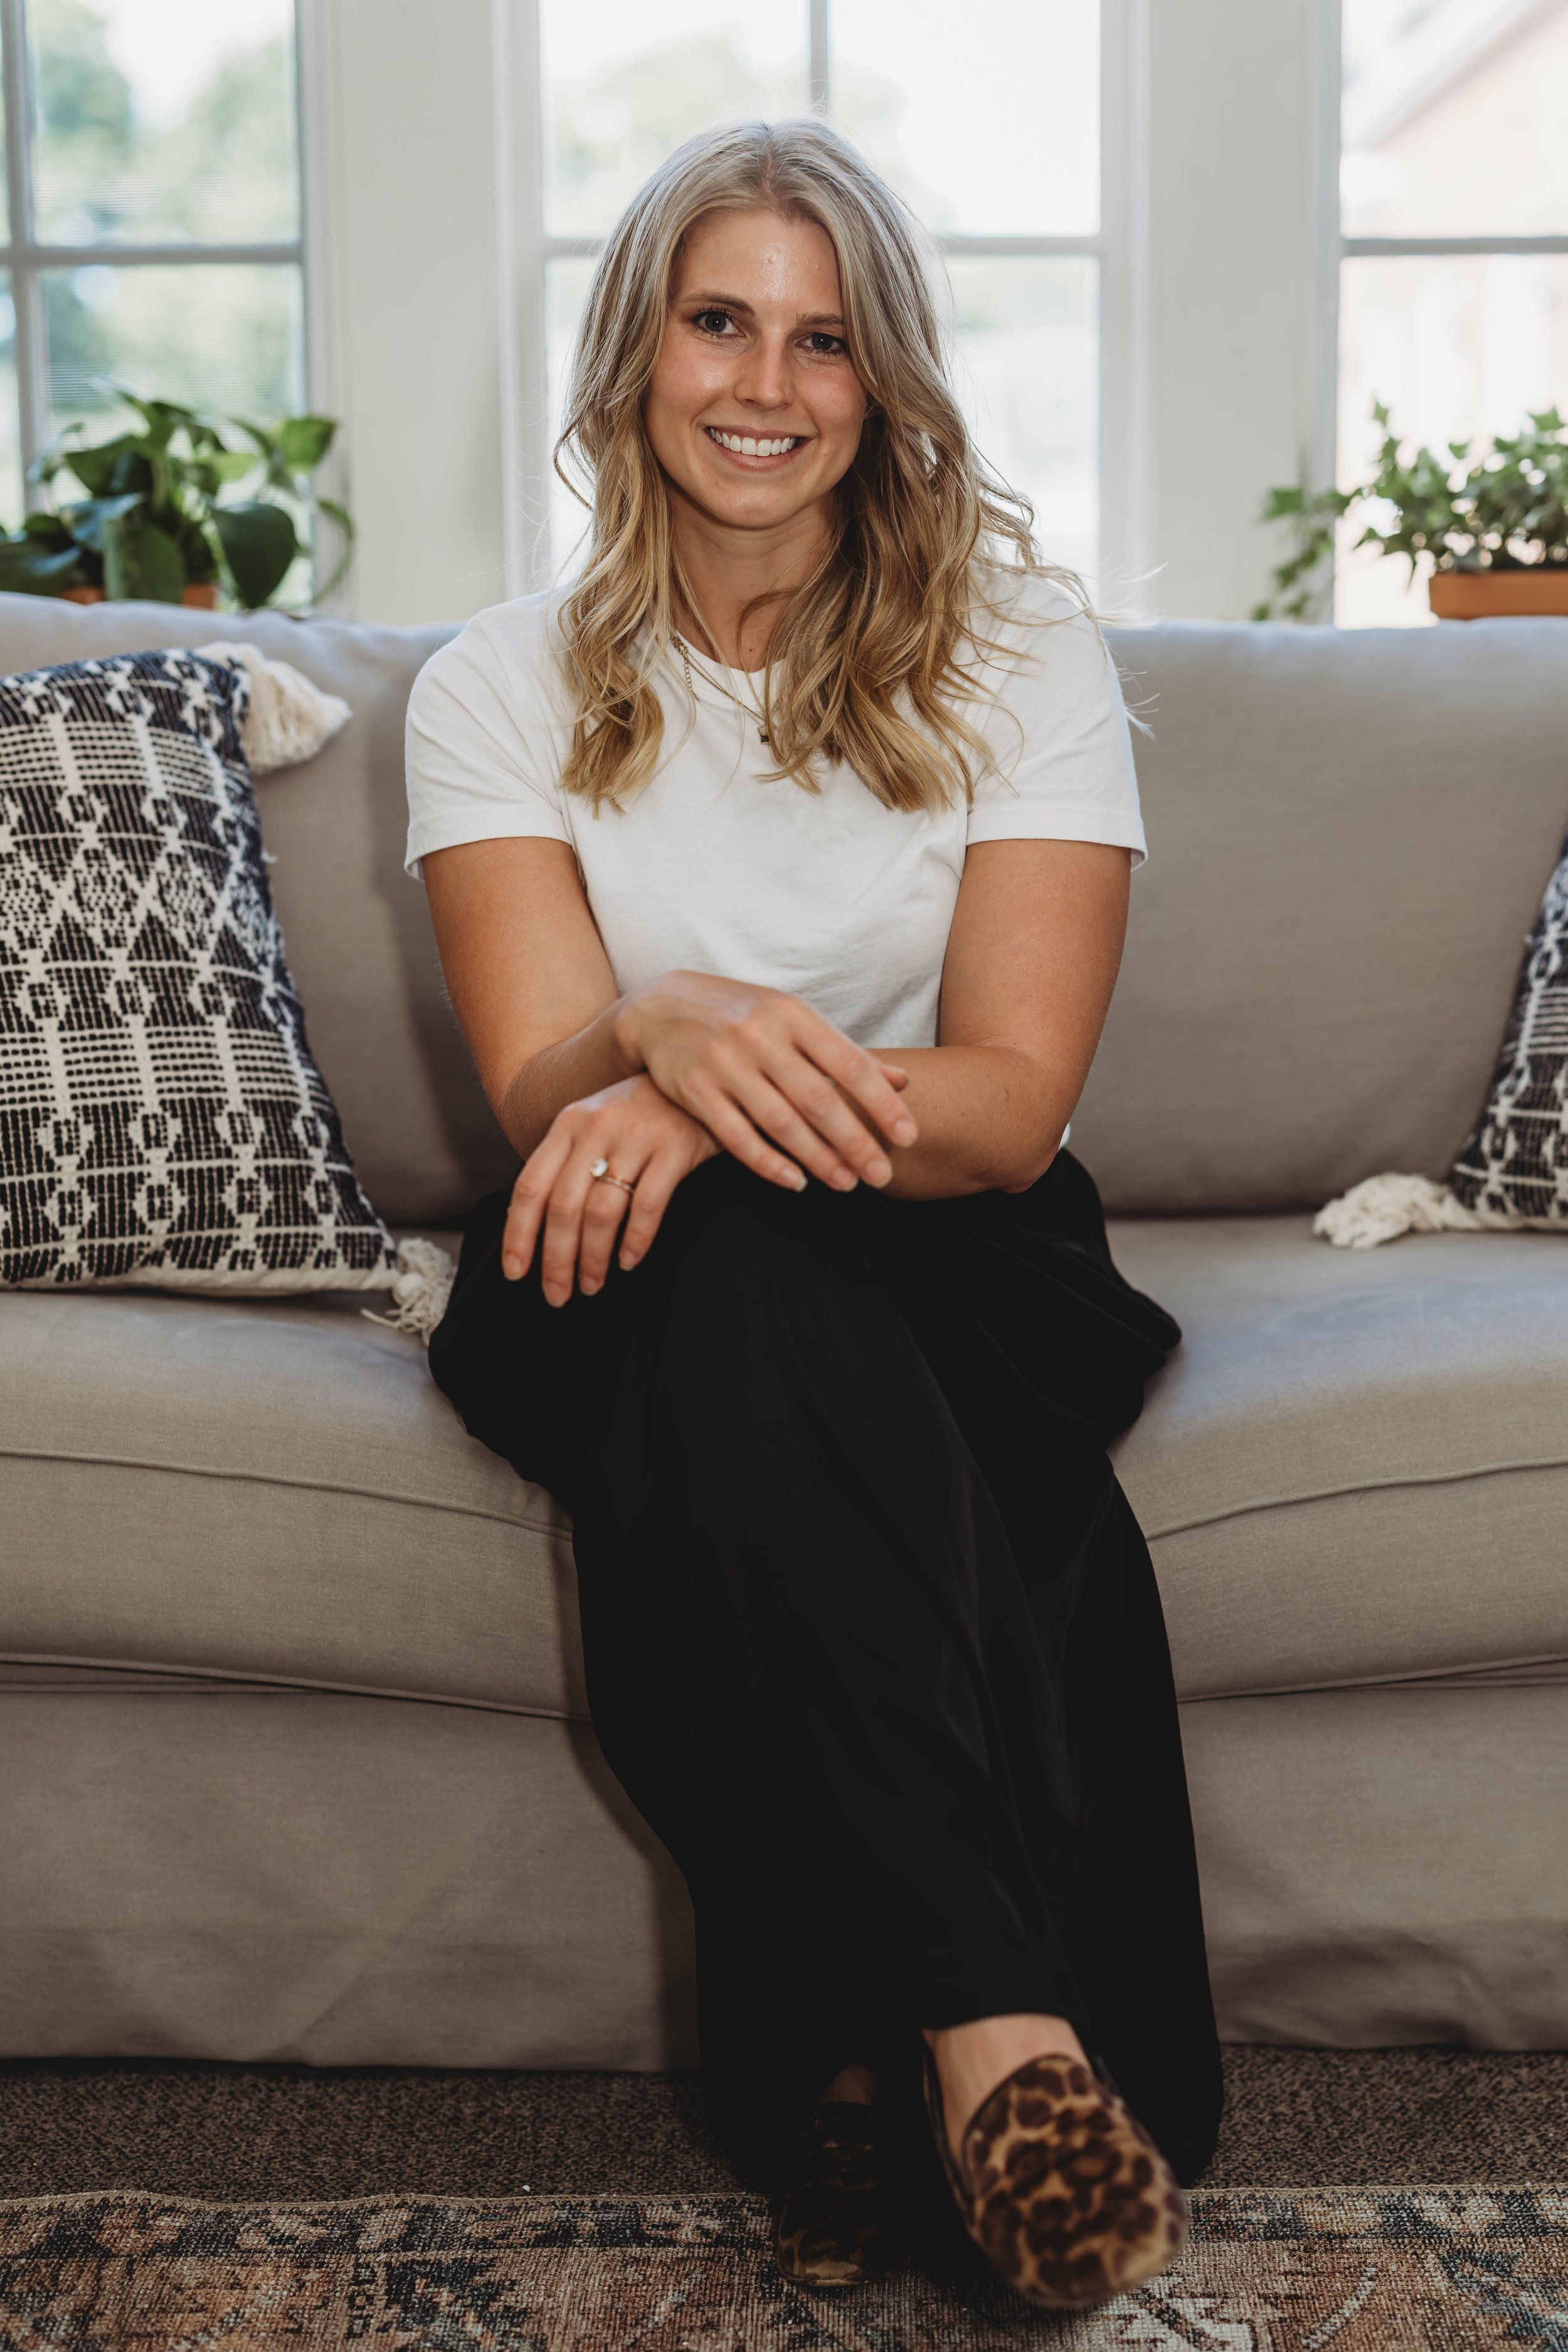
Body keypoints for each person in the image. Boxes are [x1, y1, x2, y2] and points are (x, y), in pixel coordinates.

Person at [405, 115, 1222, 2312]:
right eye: (716, 320)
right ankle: (1000, 2021)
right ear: (636, 351)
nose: (764, 382)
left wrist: (704, 1085)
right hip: (605, 1264)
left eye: (826, 339)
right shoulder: (493, 684)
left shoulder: (1015, 650)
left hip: (951, 1241)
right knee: (747, 1285)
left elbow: (1010, 1099)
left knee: (771, 1302)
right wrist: (662, 1039)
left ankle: (858, 2076)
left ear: (885, 386)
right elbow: (540, 1079)